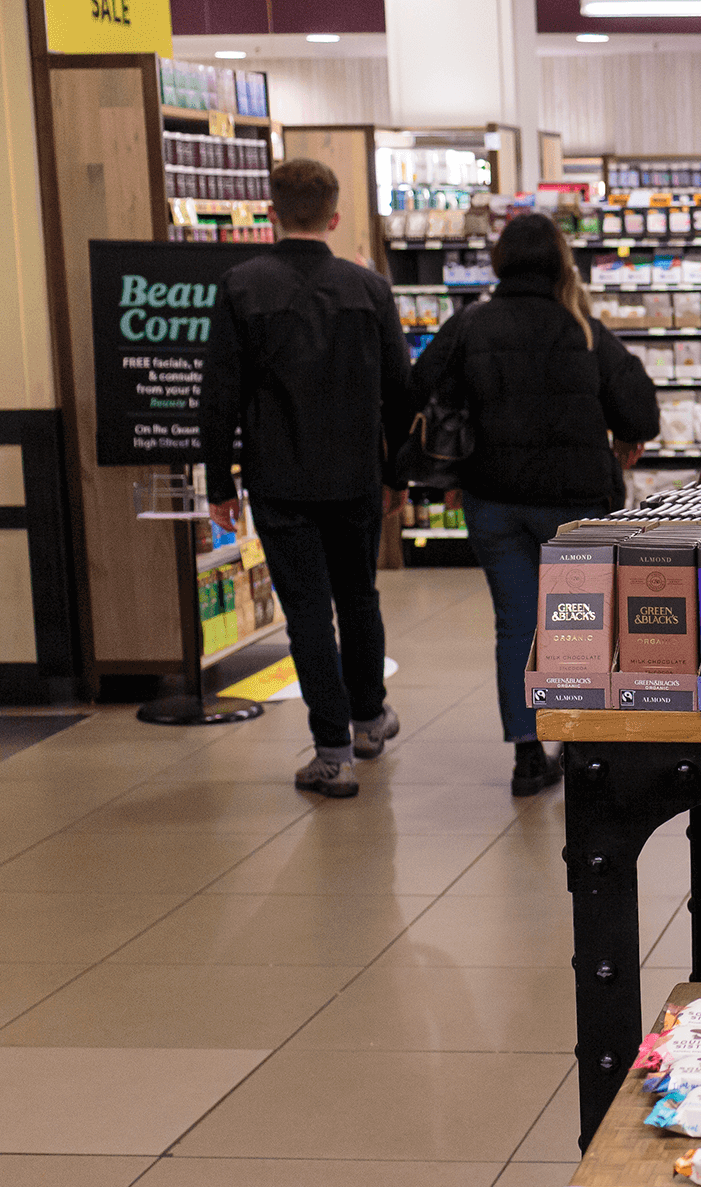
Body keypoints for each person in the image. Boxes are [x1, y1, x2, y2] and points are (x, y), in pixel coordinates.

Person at [410, 211, 658, 795]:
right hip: (576, 503)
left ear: (498, 263)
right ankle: (579, 745)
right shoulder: (586, 329)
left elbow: (417, 387)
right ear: (561, 263)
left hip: (493, 500)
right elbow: (640, 415)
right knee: (580, 624)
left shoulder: (470, 325)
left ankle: (527, 753)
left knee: (515, 623)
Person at [200, 157, 411, 799]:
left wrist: (217, 487)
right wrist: (395, 474)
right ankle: (369, 717)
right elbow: (401, 392)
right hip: (356, 477)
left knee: (308, 614)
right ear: (335, 216)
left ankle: (331, 752)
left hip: (279, 478)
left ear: (271, 213)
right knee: (359, 597)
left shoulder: (241, 286)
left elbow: (219, 397)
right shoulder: (368, 289)